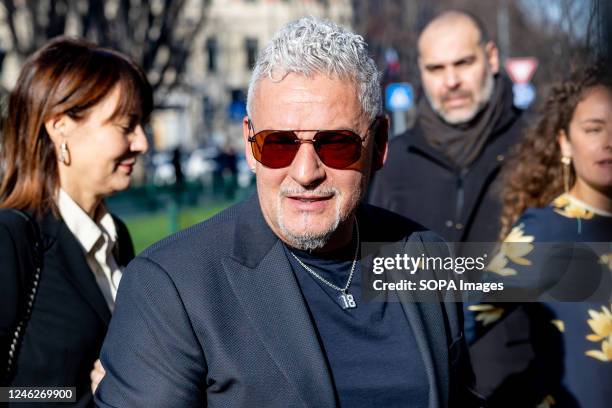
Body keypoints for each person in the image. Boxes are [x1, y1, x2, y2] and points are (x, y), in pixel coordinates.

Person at [95, 17, 481, 408]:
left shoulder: (425, 257)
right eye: (278, 144)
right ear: (250, 146)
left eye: (336, 144)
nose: (305, 172)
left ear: (379, 143)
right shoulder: (172, 285)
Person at [0, 37, 152, 407]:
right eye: (126, 125)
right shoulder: (11, 239)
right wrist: (86, 395)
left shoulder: (117, 239)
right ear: (60, 126)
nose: (142, 142)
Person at [469, 63, 612, 407]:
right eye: (594, 129)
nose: (609, 142)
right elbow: (464, 323)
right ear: (564, 142)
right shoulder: (545, 232)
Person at [369, 10, 525, 243]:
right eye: (436, 68)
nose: (451, 82)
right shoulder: (393, 162)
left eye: (463, 63)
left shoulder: (537, 144)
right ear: (421, 69)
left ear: (491, 58)